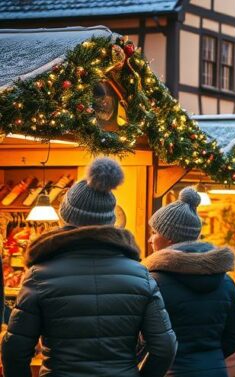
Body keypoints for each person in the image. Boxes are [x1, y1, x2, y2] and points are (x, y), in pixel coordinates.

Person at [1, 157, 177, 377]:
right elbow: (164, 346)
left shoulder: (40, 276)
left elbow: (15, 349)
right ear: (110, 221)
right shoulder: (140, 275)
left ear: (65, 218)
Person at [144, 186, 235, 376]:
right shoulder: (226, 281)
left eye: (154, 232)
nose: (150, 239)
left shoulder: (152, 281)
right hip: (215, 370)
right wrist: (209, 359)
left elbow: (146, 339)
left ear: (169, 238)